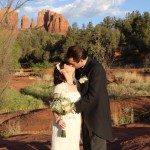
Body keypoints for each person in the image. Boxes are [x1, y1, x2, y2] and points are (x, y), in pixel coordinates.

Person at [65, 45, 113, 150]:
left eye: (72, 64)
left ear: (81, 60)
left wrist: (73, 108)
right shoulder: (79, 69)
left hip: (96, 117)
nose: (71, 65)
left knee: (96, 146)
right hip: (86, 115)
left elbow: (93, 95)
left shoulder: (96, 69)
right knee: (87, 145)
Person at [51, 61, 81, 150]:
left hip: (75, 122)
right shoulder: (60, 87)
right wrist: (58, 119)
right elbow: (54, 106)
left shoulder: (77, 83)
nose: (71, 65)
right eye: (67, 64)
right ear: (62, 70)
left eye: (71, 64)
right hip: (63, 123)